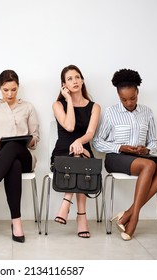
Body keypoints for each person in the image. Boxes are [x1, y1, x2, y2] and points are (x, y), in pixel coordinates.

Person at [93, 68, 157, 241]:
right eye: (123, 99)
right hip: (116, 158)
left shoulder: (147, 112)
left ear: (138, 92)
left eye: (132, 98)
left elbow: (154, 141)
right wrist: (121, 147)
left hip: (141, 158)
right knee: (149, 166)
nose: (128, 102)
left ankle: (128, 213)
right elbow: (97, 142)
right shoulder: (111, 113)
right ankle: (134, 219)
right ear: (118, 95)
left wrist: (147, 150)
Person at [0, 69, 40, 243]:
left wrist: (23, 142)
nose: (10, 94)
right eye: (6, 90)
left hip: (25, 155)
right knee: (13, 164)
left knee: (13, 147)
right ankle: (16, 222)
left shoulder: (28, 107)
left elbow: (35, 138)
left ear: (18, 87)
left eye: (13, 89)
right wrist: (0, 144)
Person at [50, 65, 101, 238]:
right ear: (63, 84)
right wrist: (69, 101)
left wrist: (79, 142)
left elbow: (90, 133)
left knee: (80, 156)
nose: (75, 81)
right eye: (70, 79)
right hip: (62, 152)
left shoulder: (95, 107)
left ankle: (66, 203)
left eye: (77, 77)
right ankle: (81, 217)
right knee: (78, 160)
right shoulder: (58, 104)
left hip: (84, 149)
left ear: (83, 80)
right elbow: (70, 127)